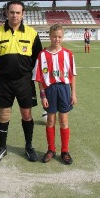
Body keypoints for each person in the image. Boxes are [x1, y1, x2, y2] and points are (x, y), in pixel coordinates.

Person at [0, 0, 43, 162]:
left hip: (25, 81)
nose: (14, 15)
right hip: (4, 81)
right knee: (4, 114)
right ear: (7, 13)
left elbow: (38, 59)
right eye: (12, 12)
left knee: (26, 114)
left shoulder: (32, 33)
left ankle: (28, 146)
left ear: (23, 14)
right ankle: (2, 147)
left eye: (18, 12)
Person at [32, 24, 77, 165]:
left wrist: (73, 93)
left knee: (64, 121)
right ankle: (51, 149)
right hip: (50, 90)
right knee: (50, 121)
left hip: (64, 89)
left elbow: (72, 75)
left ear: (62, 37)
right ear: (49, 36)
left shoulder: (68, 54)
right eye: (54, 36)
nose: (56, 39)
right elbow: (39, 77)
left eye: (59, 36)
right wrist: (43, 95)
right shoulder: (42, 54)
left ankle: (65, 151)